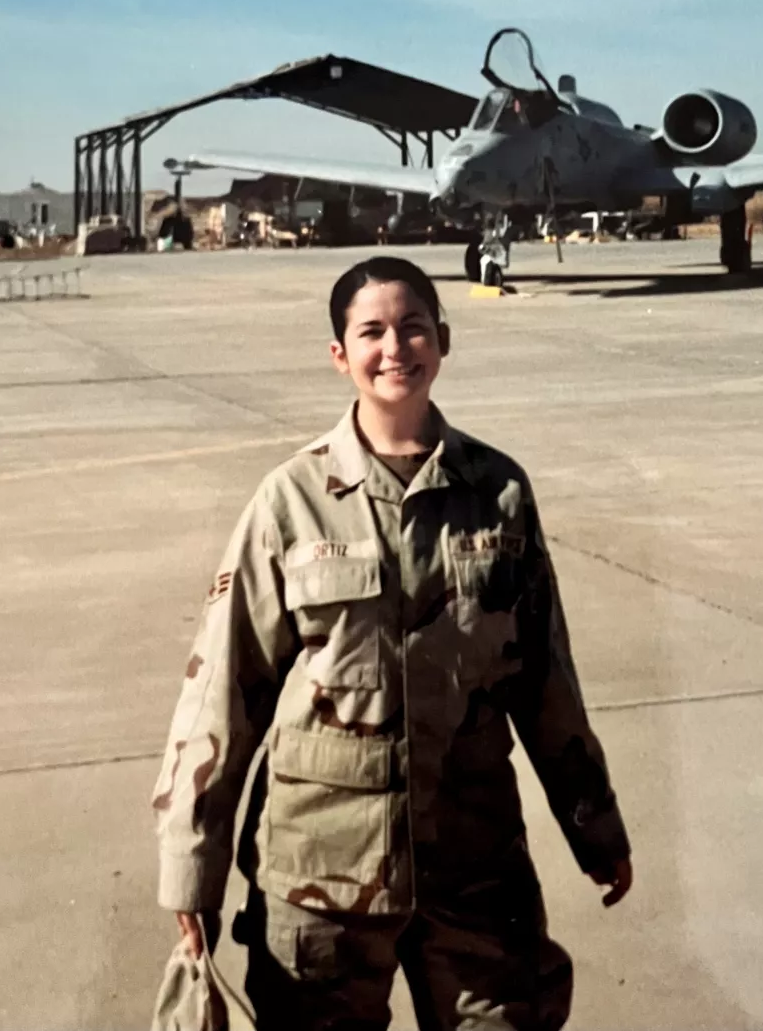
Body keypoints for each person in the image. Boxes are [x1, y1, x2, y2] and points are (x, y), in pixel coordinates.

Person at [151, 255, 632, 1031]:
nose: (395, 347)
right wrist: (191, 868)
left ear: (443, 340)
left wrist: (593, 824)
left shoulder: (499, 491)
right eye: (370, 331)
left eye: (413, 327)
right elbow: (220, 691)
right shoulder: (290, 501)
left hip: (475, 868)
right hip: (319, 881)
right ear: (340, 354)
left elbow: (546, 681)